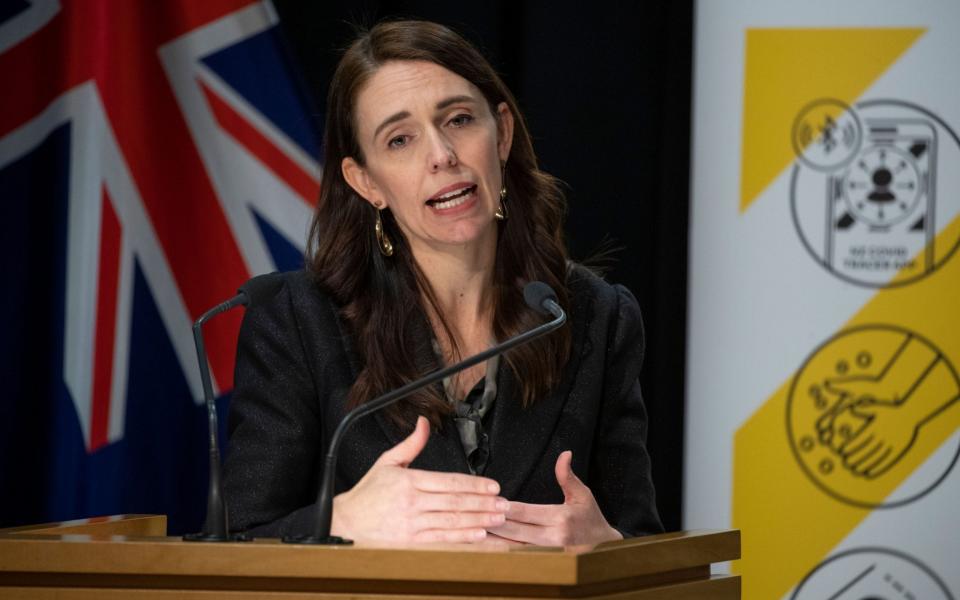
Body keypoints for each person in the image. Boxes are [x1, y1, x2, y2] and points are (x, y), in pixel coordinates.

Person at [223, 19, 662, 545]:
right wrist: (340, 523)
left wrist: (606, 548)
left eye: (457, 119)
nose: (442, 155)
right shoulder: (297, 322)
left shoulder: (594, 315)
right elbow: (235, 544)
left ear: (502, 132)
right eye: (400, 139)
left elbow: (644, 548)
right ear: (366, 181)